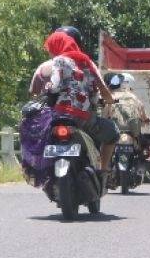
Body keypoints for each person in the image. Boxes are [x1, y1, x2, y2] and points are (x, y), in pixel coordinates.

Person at [43, 31, 120, 173]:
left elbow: (54, 86)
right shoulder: (88, 62)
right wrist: (109, 99)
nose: (50, 54)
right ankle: (103, 170)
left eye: (50, 50)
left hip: (60, 115)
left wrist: (48, 88)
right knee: (113, 132)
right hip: (84, 119)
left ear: (57, 46)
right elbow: (100, 90)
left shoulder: (59, 61)